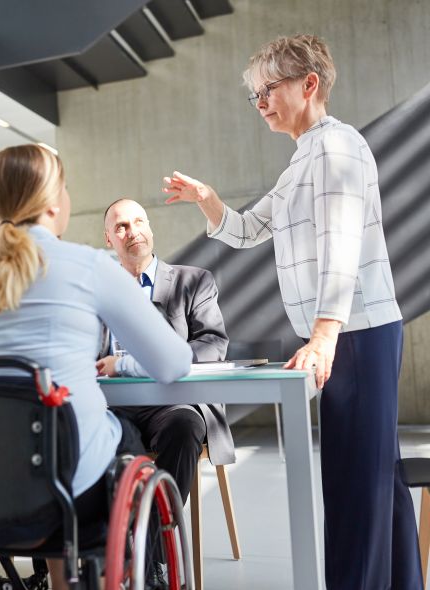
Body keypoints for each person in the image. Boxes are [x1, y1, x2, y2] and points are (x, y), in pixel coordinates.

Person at [162, 35, 421, 589]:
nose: (260, 104)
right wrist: (208, 198)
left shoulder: (336, 147)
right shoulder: (305, 157)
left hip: (356, 332)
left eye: (269, 89)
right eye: (254, 95)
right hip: (345, 335)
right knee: (374, 479)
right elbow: (250, 229)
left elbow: (342, 238)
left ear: (309, 85)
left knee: (358, 482)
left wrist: (325, 332)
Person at [0, 144, 193, 589]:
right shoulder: (90, 265)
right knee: (113, 436)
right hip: (78, 487)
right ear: (54, 202)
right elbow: (173, 363)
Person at [97, 198, 234, 501]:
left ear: (150, 227)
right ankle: (121, 534)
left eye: (138, 222)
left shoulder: (193, 281)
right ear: (109, 238)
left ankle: (157, 536)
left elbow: (212, 346)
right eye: (121, 226)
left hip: (174, 402)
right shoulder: (98, 291)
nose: (132, 231)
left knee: (184, 426)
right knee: (82, 435)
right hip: (114, 406)